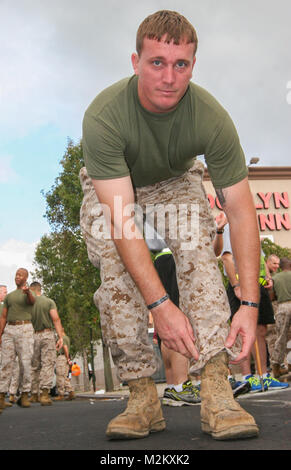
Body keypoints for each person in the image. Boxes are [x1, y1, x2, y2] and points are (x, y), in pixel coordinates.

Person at [80, 10, 261, 441]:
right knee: (114, 263)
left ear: (193, 66)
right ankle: (142, 394)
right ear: (135, 62)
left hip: (175, 180)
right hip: (114, 186)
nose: (169, 77)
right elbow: (123, 220)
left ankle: (216, 385)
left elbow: (240, 212)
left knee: (198, 248)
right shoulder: (104, 117)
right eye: (156, 62)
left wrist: (251, 306)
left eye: (181, 64)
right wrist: (161, 307)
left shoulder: (211, 118)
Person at [221, 227, 289, 391]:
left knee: (261, 330)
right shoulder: (230, 227)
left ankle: (263, 376)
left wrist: (268, 277)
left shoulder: (251, 227)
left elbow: (261, 258)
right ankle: (248, 378)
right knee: (244, 330)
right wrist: (236, 285)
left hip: (257, 285)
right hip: (241, 284)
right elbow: (226, 258)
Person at [0, 268, 35, 412]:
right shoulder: (9, 297)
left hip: (25, 329)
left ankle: (25, 394)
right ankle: (1, 396)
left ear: (26, 278)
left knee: (25, 362)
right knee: (6, 363)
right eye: (16, 275)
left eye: (20, 275)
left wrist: (27, 292)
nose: (17, 277)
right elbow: (3, 316)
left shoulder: (29, 293)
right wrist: (0, 333)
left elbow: (32, 301)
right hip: (9, 330)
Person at [29, 282, 63, 406]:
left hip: (33, 335)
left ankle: (34, 394)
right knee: (48, 364)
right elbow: (56, 319)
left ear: (32, 290)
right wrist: (60, 337)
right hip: (47, 334)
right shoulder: (49, 302)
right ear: (40, 289)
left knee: (34, 366)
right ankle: (44, 394)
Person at [270, 258, 291, 378]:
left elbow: (272, 296)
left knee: (281, 337)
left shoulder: (275, 278)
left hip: (282, 306)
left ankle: (276, 367)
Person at [54, 328, 75, 401]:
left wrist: (67, 357)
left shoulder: (62, 338)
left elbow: (65, 348)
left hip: (62, 357)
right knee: (65, 376)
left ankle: (61, 394)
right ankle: (70, 391)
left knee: (60, 376)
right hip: (65, 358)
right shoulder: (67, 338)